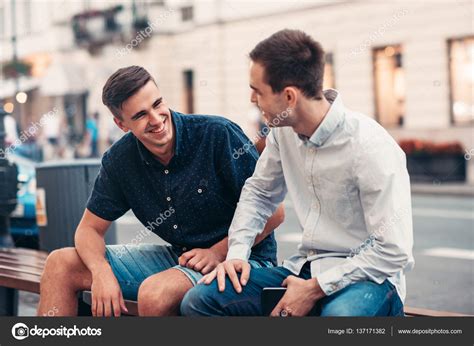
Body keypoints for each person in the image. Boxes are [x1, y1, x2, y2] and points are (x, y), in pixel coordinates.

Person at [180, 29, 414, 317]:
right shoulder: (282, 132)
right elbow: (260, 193)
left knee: (337, 319)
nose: (253, 99)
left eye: (258, 90)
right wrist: (237, 254)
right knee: (200, 300)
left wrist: (316, 288)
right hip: (303, 269)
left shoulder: (370, 147)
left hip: (368, 280)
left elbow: (393, 252)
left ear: (289, 96)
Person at [37, 66, 284, 317]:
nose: (156, 119)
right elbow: (88, 229)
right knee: (60, 264)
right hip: (181, 260)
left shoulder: (217, 135)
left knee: (156, 294)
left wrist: (218, 252)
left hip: (244, 260)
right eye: (141, 114)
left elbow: (274, 211)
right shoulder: (120, 160)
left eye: (157, 104)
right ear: (121, 124)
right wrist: (101, 272)